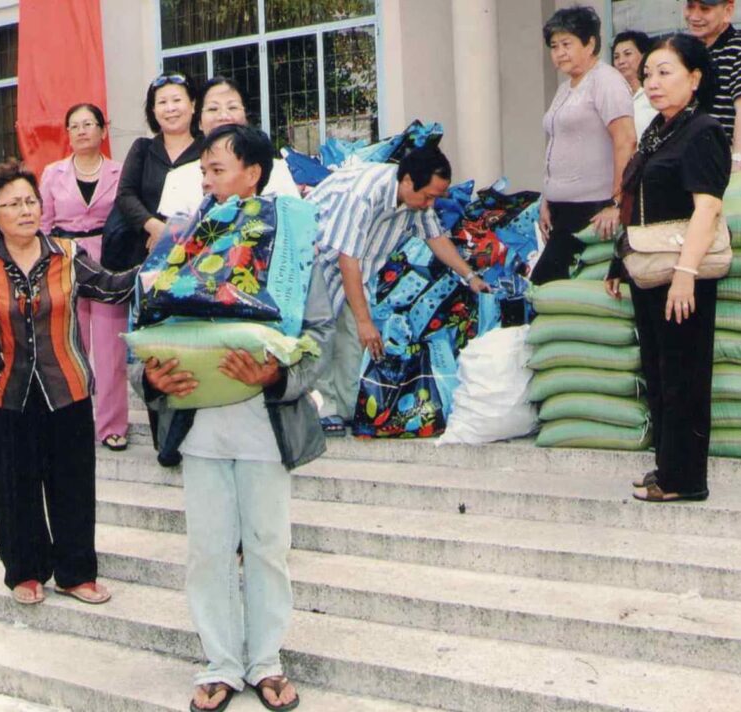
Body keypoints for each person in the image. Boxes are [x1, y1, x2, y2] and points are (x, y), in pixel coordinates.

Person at [137, 124, 320, 712]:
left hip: (265, 427)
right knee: (208, 551)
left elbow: (318, 334)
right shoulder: (185, 235)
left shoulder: (291, 238)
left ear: (252, 174)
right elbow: (148, 322)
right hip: (200, 430)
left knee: (267, 547)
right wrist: (151, 380)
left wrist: (277, 376)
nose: (207, 180)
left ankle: (266, 662)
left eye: (217, 169)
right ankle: (220, 664)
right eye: (204, 171)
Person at [0, 161, 136, 605]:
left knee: (73, 484)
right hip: (6, 391)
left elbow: (112, 288)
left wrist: (161, 267)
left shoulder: (68, 255)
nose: (25, 210)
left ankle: (76, 573)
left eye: (30, 201)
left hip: (65, 387)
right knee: (13, 488)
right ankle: (25, 571)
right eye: (13, 204)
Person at [605, 34, 730, 502]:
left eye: (664, 72)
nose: (652, 82)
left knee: (684, 376)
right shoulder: (660, 129)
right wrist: (620, 261)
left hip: (682, 273)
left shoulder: (702, 132)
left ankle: (685, 480)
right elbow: (639, 202)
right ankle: (667, 467)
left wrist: (685, 274)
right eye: (648, 74)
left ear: (694, 78)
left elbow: (707, 208)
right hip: (650, 269)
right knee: (659, 373)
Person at [308, 143, 489, 437]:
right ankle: (323, 411)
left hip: (356, 269)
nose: (430, 204)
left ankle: (346, 409)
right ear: (407, 181)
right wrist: (365, 321)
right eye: (428, 196)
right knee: (322, 336)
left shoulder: (417, 201)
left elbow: (435, 237)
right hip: (317, 258)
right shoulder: (364, 194)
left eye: (435, 198)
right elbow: (346, 258)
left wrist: (470, 276)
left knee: (352, 342)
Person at [40, 103, 130, 451]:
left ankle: (112, 426)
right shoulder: (52, 174)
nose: (81, 130)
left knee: (110, 351)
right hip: (66, 260)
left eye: (88, 124)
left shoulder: (120, 172)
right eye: (74, 125)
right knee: (69, 347)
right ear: (67, 133)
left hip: (109, 263)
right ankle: (72, 425)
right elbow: (44, 224)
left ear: (103, 130)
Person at [532, 5, 637, 285]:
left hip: (592, 208)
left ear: (590, 43)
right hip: (561, 208)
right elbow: (560, 143)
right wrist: (547, 199)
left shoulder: (606, 81)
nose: (559, 53)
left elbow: (626, 140)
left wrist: (617, 202)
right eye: (554, 46)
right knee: (558, 287)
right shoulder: (565, 88)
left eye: (567, 44)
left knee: (545, 283)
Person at [158, 76, 300, 217]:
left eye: (232, 107)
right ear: (199, 122)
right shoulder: (178, 179)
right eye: (213, 109)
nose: (223, 116)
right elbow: (174, 231)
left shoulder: (277, 170)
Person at [116, 73, 202, 255]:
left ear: (193, 105)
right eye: (162, 102)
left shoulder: (208, 150)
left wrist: (173, 233)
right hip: (146, 250)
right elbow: (125, 194)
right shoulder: (142, 149)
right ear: (153, 110)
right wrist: (155, 227)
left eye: (177, 100)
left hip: (198, 249)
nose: (170, 108)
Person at [684, 0, 741, 173]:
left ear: (727, 11)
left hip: (714, 162)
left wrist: (737, 165)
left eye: (705, 9)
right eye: (690, 6)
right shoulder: (684, 50)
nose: (694, 16)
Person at [612, 31, 657, 139]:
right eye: (616, 57)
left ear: (644, 56)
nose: (621, 61)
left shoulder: (655, 93)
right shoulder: (614, 98)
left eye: (627, 54)